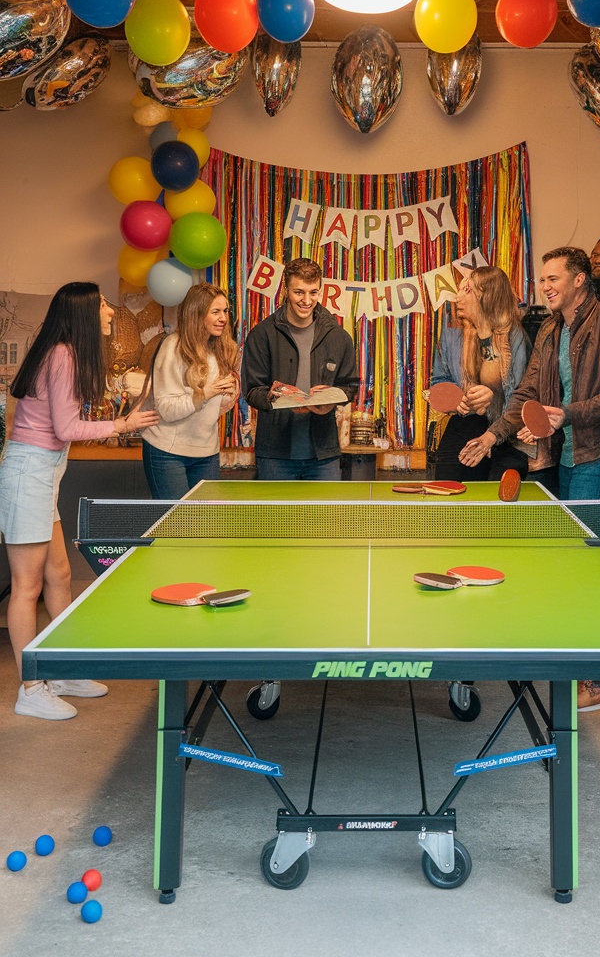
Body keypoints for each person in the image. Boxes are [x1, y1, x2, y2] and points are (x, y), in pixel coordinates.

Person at [461, 246, 600, 713]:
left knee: (596, 569)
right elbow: (526, 391)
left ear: (580, 280)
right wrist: (492, 433)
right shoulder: (549, 328)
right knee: (575, 565)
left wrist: (566, 415)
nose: (545, 286)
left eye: (553, 278)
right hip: (568, 457)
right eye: (542, 279)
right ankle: (589, 669)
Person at [0, 282, 159, 720]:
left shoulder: (64, 352)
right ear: (86, 312)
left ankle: (64, 668)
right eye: (104, 304)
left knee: (60, 573)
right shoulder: (64, 355)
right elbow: (68, 429)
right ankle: (31, 688)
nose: (111, 311)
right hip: (29, 474)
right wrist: (121, 424)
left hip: (43, 473)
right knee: (27, 586)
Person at [242, 258, 359, 481]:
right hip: (275, 456)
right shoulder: (262, 334)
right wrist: (273, 397)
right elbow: (251, 390)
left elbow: (350, 385)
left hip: (324, 455)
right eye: (299, 292)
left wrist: (330, 401)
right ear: (286, 290)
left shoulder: (339, 337)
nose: (307, 300)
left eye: (313, 292)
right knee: (277, 517)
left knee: (322, 517)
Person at [140, 283, 240, 499]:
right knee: (176, 528)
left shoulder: (220, 349)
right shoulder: (172, 347)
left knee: (205, 527)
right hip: (168, 451)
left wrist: (228, 395)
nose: (223, 318)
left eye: (225, 311)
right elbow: (166, 409)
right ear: (196, 314)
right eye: (215, 312)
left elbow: (213, 409)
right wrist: (205, 394)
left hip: (206, 452)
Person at [431, 266, 530, 481]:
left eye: (467, 290)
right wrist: (455, 399)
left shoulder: (514, 337)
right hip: (465, 421)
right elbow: (439, 381)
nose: (458, 297)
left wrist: (493, 398)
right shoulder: (451, 333)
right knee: (446, 486)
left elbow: (522, 396)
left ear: (486, 296)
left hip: (506, 430)